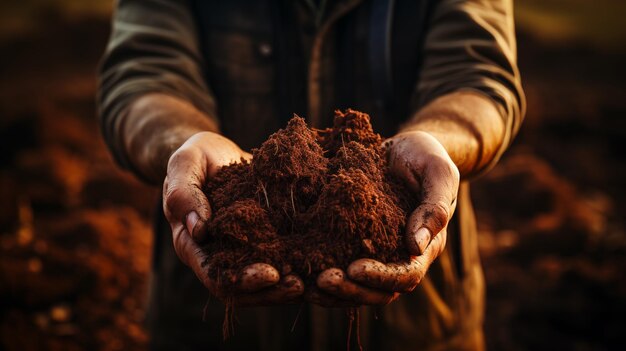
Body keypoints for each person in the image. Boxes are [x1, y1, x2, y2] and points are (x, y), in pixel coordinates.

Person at [98, 0, 524, 349]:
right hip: (212, 328)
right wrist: (185, 142)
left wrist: (437, 141)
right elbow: (143, 76)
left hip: (421, 327)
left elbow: (480, 79)